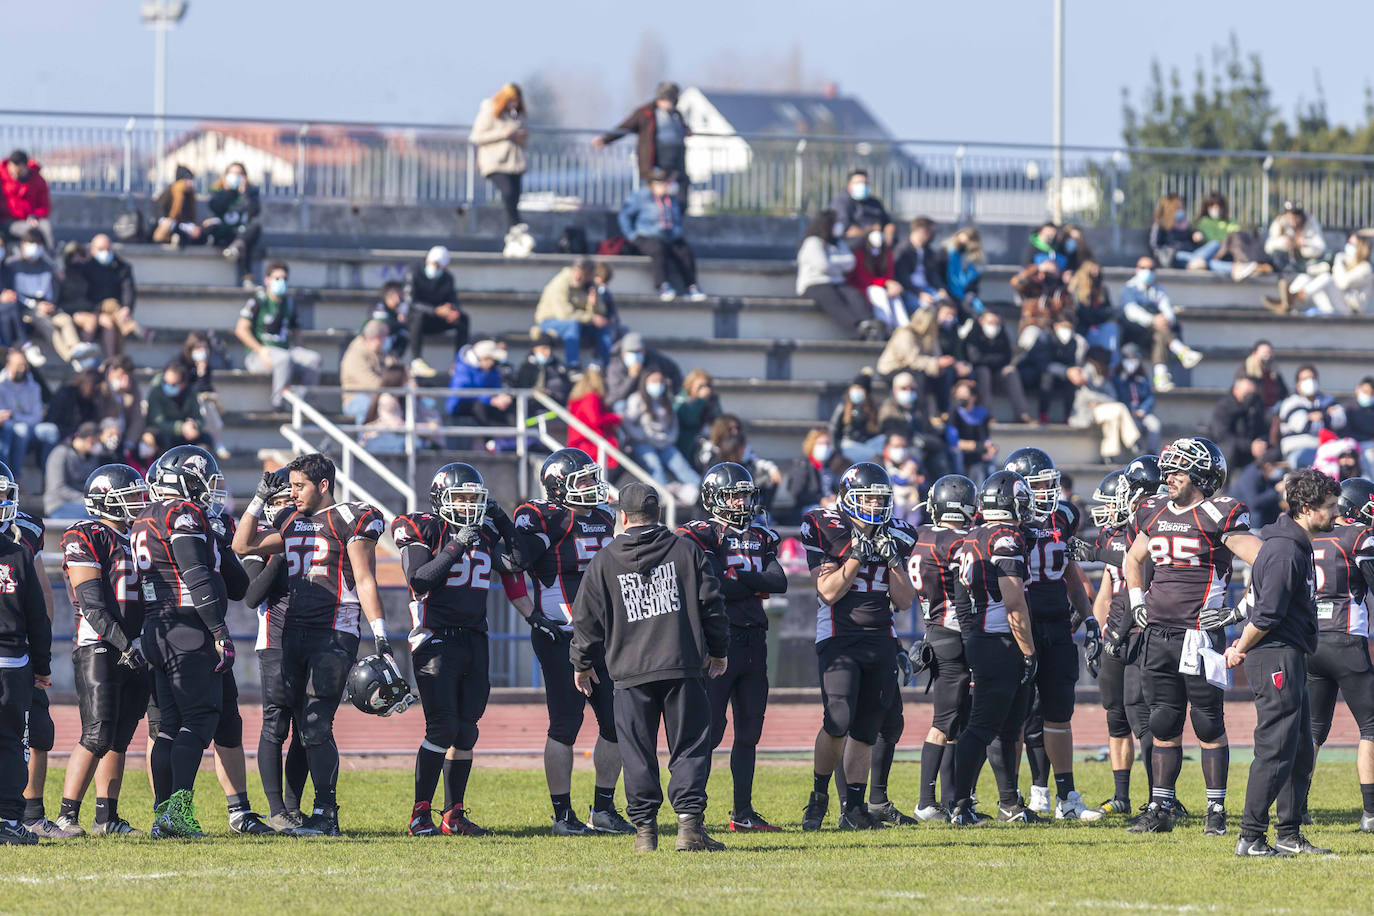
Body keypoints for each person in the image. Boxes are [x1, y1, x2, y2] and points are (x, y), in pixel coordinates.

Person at [232, 454, 391, 837]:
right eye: (291, 486)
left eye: (299, 485)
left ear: (323, 485)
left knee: (317, 722)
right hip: (293, 632)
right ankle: (304, 810)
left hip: (335, 628)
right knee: (299, 722)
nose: (293, 493)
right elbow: (242, 545)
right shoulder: (288, 520)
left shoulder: (349, 518)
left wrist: (381, 634)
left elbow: (366, 579)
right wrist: (256, 501)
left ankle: (326, 812)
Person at [569, 481, 727, 852]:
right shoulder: (687, 550)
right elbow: (713, 605)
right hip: (682, 666)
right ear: (658, 514)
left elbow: (586, 619)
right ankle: (689, 827)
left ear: (623, 517)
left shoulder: (605, 560)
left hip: (628, 673)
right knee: (689, 746)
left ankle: (645, 833)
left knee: (637, 750)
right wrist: (718, 650)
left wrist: (581, 663)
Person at [1123, 437, 1261, 835]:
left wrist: (1239, 611)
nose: (1168, 478)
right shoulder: (1153, 511)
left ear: (1200, 474)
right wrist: (1136, 601)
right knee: (1163, 722)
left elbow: (1266, 561)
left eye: (1178, 470)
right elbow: (1134, 559)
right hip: (1157, 634)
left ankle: (1215, 811)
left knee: (1207, 723)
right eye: (1167, 470)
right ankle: (1160, 809)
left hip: (1198, 635)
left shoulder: (1219, 514)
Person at [391, 463, 531, 836]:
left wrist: (500, 518)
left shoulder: (484, 531)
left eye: (475, 498)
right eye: (461, 497)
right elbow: (419, 579)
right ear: (441, 500)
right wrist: (457, 544)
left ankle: (453, 814)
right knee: (442, 726)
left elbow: (518, 560)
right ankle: (420, 813)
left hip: (474, 637)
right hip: (434, 637)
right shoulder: (426, 527)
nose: (469, 505)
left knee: (467, 731)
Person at [506, 449, 632, 836]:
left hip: (606, 637)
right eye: (583, 481)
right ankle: (562, 815)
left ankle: (604, 809)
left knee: (617, 723)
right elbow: (511, 566)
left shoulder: (603, 517)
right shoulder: (539, 516)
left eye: (593, 478)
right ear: (559, 486)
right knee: (566, 723)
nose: (592, 487)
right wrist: (531, 615)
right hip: (559, 633)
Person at [1224, 468, 1340, 856]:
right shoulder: (1285, 550)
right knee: (1275, 747)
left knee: (1300, 749)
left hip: (1290, 653)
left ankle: (1288, 834)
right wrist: (1240, 646)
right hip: (1274, 654)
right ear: (1306, 509)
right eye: (1329, 507)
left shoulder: (1295, 543)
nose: (1336, 513)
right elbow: (1266, 613)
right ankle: (1251, 836)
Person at [799, 462, 918, 831]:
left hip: (881, 637)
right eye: (867, 497)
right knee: (838, 720)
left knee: (867, 728)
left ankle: (854, 807)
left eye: (880, 499)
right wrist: (857, 555)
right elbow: (828, 591)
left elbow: (904, 601)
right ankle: (818, 797)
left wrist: (894, 559)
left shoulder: (899, 533)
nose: (874, 505)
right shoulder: (825, 525)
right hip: (840, 636)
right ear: (848, 498)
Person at [130, 446, 234, 838]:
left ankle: (163, 813)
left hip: (157, 628)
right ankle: (177, 811)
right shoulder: (182, 513)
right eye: (203, 480)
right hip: (187, 627)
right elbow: (195, 575)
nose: (208, 489)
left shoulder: (144, 517)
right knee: (200, 718)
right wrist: (220, 632)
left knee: (170, 725)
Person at [677, 463, 787, 831]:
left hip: (756, 638)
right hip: (717, 640)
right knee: (709, 730)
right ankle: (694, 812)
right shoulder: (702, 533)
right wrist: (750, 584)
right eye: (733, 494)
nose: (741, 500)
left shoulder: (761, 535)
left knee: (750, 730)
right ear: (713, 498)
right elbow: (716, 585)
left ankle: (742, 813)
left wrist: (740, 577)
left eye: (744, 493)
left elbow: (779, 581)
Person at [1001, 448, 1102, 820]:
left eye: (1049, 483)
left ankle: (1066, 798)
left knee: (1059, 711)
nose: (1047, 490)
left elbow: (1070, 572)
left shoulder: (1065, 516)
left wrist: (1088, 617)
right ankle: (1010, 799)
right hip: (1019, 624)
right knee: (1015, 715)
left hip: (1057, 622)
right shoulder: (1005, 521)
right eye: (1039, 484)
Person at [52, 465, 151, 836]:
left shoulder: (136, 536)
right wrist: (125, 645)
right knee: (96, 733)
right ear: (106, 499)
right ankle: (65, 815)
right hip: (99, 644)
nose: (139, 502)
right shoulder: (86, 533)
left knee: (120, 737)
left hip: (133, 647)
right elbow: (91, 604)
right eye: (130, 495)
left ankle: (106, 817)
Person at [945, 471, 1039, 826]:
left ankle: (1008, 803)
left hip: (985, 637)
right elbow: (1014, 602)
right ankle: (959, 805)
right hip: (1001, 640)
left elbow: (961, 600)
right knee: (983, 726)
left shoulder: (974, 535)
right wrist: (1028, 651)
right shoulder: (1005, 537)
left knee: (1008, 727)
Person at [1078, 458, 1160, 817]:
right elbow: (1109, 591)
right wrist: (1095, 632)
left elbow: (1136, 574)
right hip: (1115, 634)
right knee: (1116, 717)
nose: (1110, 509)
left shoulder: (1158, 531)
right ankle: (1122, 796)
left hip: (1144, 632)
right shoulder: (1114, 536)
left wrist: (1094, 552)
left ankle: (1160, 797)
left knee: (1141, 714)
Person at [908, 474, 979, 820]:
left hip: (934, 631)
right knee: (945, 722)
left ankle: (952, 802)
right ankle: (925, 800)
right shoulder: (959, 542)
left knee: (957, 723)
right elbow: (967, 594)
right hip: (954, 633)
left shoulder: (920, 535)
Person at [1307, 477, 1374, 833]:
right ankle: (1371, 812)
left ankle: (1297, 807)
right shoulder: (1359, 537)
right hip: (1347, 639)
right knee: (1372, 727)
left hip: (1311, 642)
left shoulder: (1310, 536)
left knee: (1314, 730)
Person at [0, 463, 51, 845]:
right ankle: (8, 820)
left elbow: (37, 612)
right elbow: (37, 615)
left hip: (13, 661)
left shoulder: (20, 550)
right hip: (13, 663)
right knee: (9, 742)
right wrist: (43, 665)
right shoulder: (18, 553)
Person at [235, 261, 323, 409]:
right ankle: (278, 403)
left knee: (313, 359)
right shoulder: (259, 300)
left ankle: (306, 403)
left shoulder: (288, 303)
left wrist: (300, 350)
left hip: (285, 351)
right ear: (267, 280)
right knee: (283, 359)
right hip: (260, 355)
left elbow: (296, 331)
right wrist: (260, 350)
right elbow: (241, 329)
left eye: (284, 279)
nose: (281, 282)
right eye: (277, 278)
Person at [617, 169, 705, 302]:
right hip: (648, 235)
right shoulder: (642, 196)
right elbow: (624, 215)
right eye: (660, 182)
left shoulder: (671, 198)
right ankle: (663, 285)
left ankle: (691, 286)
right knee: (657, 250)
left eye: (665, 182)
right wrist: (631, 235)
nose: (664, 186)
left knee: (684, 252)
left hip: (670, 236)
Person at [1119, 257, 1203, 393]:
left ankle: (1161, 378)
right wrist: (1154, 320)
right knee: (1159, 330)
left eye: (1151, 268)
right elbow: (1131, 312)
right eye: (1143, 268)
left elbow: (1167, 310)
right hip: (1136, 334)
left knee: (1160, 336)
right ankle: (1182, 351)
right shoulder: (1129, 289)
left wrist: (1165, 319)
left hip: (1155, 335)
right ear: (1136, 270)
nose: (1147, 271)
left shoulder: (1158, 289)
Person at [471, 83, 532, 256]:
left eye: (517, 101)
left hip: (515, 163)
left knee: (514, 197)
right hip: (495, 162)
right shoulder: (490, 111)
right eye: (511, 101)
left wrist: (519, 136)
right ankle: (516, 228)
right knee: (507, 191)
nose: (514, 105)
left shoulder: (518, 116)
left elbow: (526, 141)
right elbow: (477, 136)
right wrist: (504, 134)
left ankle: (513, 233)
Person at [797, 210, 879, 339]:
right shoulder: (813, 242)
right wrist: (838, 264)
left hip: (836, 281)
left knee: (855, 295)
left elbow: (850, 263)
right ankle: (855, 330)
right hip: (815, 284)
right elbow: (822, 266)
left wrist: (831, 262)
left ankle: (868, 323)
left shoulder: (838, 243)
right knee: (833, 300)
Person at [623, 370, 700, 504]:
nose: (657, 385)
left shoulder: (667, 400)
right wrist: (642, 436)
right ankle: (661, 496)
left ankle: (702, 491)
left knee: (680, 464)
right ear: (645, 383)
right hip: (643, 442)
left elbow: (674, 425)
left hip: (665, 443)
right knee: (653, 464)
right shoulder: (636, 399)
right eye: (653, 382)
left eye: (660, 382)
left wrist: (668, 439)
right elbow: (628, 423)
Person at [594, 81, 690, 187]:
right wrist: (605, 139)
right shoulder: (646, 113)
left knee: (679, 190)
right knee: (653, 191)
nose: (668, 103)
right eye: (665, 99)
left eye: (670, 100)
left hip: (676, 162)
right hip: (655, 161)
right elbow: (625, 127)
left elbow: (683, 129)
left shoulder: (676, 115)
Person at [877, 306, 966, 416]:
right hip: (893, 369)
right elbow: (913, 360)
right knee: (919, 377)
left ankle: (944, 412)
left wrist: (946, 363)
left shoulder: (930, 337)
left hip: (918, 367)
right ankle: (921, 415)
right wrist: (936, 363)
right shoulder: (905, 334)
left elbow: (936, 355)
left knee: (944, 373)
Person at [535, 257, 615, 368]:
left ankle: (607, 365)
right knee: (572, 325)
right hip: (551, 321)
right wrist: (591, 318)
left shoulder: (590, 285)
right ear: (575, 271)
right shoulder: (561, 283)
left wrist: (593, 305)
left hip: (580, 322)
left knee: (603, 328)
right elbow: (564, 315)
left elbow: (602, 311)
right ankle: (573, 365)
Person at [1268, 232, 1372, 316]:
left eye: (1352, 244)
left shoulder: (1365, 268)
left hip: (1351, 310)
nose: (1348, 246)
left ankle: (1293, 299)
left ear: (1360, 247)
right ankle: (1286, 301)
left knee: (1327, 278)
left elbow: (1342, 283)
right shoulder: (1348, 263)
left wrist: (1338, 261)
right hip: (1336, 304)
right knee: (1305, 278)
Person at [404, 246, 468, 379]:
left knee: (463, 319)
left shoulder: (447, 278)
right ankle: (417, 360)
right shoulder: (413, 273)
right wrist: (435, 310)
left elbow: (453, 298)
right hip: (416, 320)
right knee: (418, 316)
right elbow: (412, 302)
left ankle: (458, 362)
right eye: (435, 265)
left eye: (440, 267)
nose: (437, 269)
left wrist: (453, 310)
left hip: (437, 319)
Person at [71, 234, 139, 357]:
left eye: (108, 249)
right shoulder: (85, 268)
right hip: (91, 309)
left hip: (114, 312)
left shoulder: (121, 267)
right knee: (107, 317)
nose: (105, 253)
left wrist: (127, 307)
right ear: (92, 250)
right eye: (101, 249)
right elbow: (80, 294)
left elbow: (128, 289)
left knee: (112, 318)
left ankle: (113, 360)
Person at [0, 228, 59, 366]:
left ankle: (14, 349)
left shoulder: (5, 269)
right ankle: (24, 344)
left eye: (1, 246)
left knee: (11, 306)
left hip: (10, 313)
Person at [964, 311, 1034, 424]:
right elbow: (975, 358)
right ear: (981, 321)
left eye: (996, 323)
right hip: (979, 376)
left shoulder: (1002, 335)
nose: (994, 326)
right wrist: (994, 360)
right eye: (990, 322)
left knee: (1011, 371)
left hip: (998, 374)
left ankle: (1021, 413)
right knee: (983, 371)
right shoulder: (973, 335)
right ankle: (986, 414)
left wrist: (989, 360)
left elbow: (1006, 357)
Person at [203, 162, 261, 288]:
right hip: (224, 232)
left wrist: (244, 193)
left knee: (251, 231)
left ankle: (237, 249)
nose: (236, 176)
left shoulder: (251, 193)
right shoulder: (217, 191)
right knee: (213, 227)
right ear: (225, 176)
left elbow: (254, 211)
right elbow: (217, 207)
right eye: (233, 173)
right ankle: (246, 275)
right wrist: (230, 191)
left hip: (240, 234)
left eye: (239, 174)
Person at [0, 347, 57, 471]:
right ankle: (15, 476)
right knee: (20, 430)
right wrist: (13, 419)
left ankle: (48, 477)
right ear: (8, 365)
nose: (22, 369)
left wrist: (14, 416)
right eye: (18, 365)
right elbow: (4, 419)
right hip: (10, 430)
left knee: (51, 430)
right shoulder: (1, 385)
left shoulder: (34, 387)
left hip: (31, 428)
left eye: (24, 365)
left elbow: (37, 417)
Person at [1278, 365, 1342, 467]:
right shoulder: (1290, 402)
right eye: (1305, 379)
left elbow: (1340, 420)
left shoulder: (1328, 400)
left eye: (1312, 378)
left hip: (1327, 448)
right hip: (1299, 450)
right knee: (1321, 462)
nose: (1310, 382)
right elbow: (1304, 425)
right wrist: (1327, 417)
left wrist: (1318, 416)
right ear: (1297, 384)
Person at [145, 360, 212, 451]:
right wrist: (181, 428)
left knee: (206, 439)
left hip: (186, 434)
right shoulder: (156, 391)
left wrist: (194, 425)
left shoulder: (190, 392)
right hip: (165, 432)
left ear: (183, 384)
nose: (168, 386)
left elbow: (198, 418)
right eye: (166, 382)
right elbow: (157, 421)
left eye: (173, 384)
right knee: (162, 439)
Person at [446, 338, 513, 428]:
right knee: (479, 407)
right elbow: (464, 393)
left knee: (508, 407)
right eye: (492, 360)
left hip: (484, 402)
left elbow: (495, 386)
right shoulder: (463, 368)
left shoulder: (491, 370)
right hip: (461, 405)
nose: (493, 363)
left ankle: (511, 437)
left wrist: (501, 397)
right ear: (482, 358)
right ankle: (491, 439)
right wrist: (491, 400)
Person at [605, 332, 682, 409]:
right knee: (620, 405)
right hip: (626, 402)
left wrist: (674, 392)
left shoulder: (653, 358)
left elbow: (673, 370)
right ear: (623, 352)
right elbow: (617, 395)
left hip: (648, 399)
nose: (635, 355)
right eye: (631, 352)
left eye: (638, 351)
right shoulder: (615, 367)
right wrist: (632, 377)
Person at [1209, 376, 1270, 473]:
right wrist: (1250, 446)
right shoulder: (1224, 407)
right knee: (1228, 451)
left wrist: (1260, 444)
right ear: (1236, 390)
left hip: (1252, 452)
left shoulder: (1257, 407)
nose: (1250, 396)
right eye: (1247, 392)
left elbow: (1264, 429)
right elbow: (1222, 436)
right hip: (1231, 451)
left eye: (1252, 393)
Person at [566, 367, 620, 470]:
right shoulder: (591, 397)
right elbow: (595, 420)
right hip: (589, 444)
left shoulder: (576, 398)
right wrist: (615, 418)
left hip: (581, 442)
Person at [44, 423, 103, 518]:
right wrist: (86, 499)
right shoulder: (60, 453)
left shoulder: (92, 457)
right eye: (98, 441)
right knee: (97, 515)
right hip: (59, 505)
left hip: (84, 504)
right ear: (89, 440)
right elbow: (58, 488)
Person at [1112, 343, 1161, 453]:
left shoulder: (1143, 377)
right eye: (1128, 358)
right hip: (1127, 413)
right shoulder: (1116, 378)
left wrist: (1143, 409)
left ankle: (1151, 452)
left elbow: (1149, 396)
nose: (1131, 361)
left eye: (1134, 358)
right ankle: (1136, 452)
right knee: (1134, 426)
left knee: (1154, 425)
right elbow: (1115, 397)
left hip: (1142, 412)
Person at [892, 217, 946, 313]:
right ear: (921, 230)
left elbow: (933, 274)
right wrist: (919, 294)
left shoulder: (928, 251)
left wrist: (941, 289)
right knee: (927, 308)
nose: (931, 235)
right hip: (911, 291)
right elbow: (903, 278)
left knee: (946, 305)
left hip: (927, 288)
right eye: (929, 231)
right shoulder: (903, 250)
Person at [340, 319, 390, 424]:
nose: (387, 340)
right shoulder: (355, 354)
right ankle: (366, 440)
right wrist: (394, 387)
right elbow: (372, 384)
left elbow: (399, 371)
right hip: (355, 399)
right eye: (386, 336)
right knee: (369, 406)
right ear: (377, 337)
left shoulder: (382, 353)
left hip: (380, 397)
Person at [946, 379, 995, 483]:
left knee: (989, 459)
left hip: (977, 452)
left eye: (964, 395)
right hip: (961, 452)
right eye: (958, 395)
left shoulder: (981, 413)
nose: (961, 398)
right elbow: (953, 441)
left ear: (973, 397)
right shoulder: (954, 413)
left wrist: (990, 449)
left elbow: (985, 438)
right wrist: (977, 446)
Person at [1, 150, 52, 249]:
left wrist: (35, 215)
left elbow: (44, 206)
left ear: (25, 166)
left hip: (30, 220)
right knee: (31, 231)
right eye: (12, 172)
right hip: (8, 221)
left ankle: (49, 258)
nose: (15, 175)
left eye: (19, 172)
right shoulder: (2, 178)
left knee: (46, 228)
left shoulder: (38, 180)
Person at [785, 429, 839, 523]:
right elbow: (796, 495)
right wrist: (820, 500)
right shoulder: (802, 466)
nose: (824, 447)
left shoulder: (831, 467)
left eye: (827, 443)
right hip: (807, 509)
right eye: (821, 443)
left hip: (830, 506)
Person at [829, 373, 884, 464]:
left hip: (867, 444)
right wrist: (836, 450)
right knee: (874, 457)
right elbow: (833, 428)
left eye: (860, 389)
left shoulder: (873, 407)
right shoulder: (844, 406)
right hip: (849, 444)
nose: (856, 391)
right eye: (854, 388)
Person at [829, 169, 894, 243]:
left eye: (865, 183)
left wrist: (889, 231)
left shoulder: (874, 203)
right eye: (858, 183)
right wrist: (870, 230)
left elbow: (888, 223)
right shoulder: (841, 203)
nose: (862, 186)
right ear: (849, 185)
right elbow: (847, 231)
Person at [1069, 260, 1116, 359]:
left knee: (1111, 328)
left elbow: (1109, 310)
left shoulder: (1102, 290)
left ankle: (1111, 365)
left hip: (1099, 326)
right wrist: (1098, 314)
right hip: (1083, 328)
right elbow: (1083, 312)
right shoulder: (1077, 290)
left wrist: (1098, 314)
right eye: (1094, 271)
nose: (1097, 274)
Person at [672, 369, 721, 462]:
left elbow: (718, 421)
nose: (706, 389)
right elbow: (690, 420)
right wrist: (701, 401)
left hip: (708, 440)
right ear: (691, 386)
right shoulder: (681, 400)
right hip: (687, 444)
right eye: (701, 386)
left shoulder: (712, 399)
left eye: (707, 386)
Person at [1263, 202, 1326, 273]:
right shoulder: (1279, 223)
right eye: (1290, 217)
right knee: (1277, 254)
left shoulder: (1311, 223)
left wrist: (1305, 243)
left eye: (1296, 217)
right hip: (1285, 261)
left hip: (1306, 261)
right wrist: (1284, 242)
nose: (1293, 221)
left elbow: (1321, 248)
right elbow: (1268, 247)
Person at [512, 331, 572, 404]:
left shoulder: (559, 368)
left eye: (550, 349)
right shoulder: (526, 367)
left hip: (555, 407)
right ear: (535, 349)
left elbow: (567, 390)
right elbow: (521, 388)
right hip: (533, 408)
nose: (548, 352)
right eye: (544, 348)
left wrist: (552, 394)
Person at [152, 165, 204, 246]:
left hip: (182, 225)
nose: (190, 183)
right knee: (168, 225)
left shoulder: (189, 195)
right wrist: (166, 221)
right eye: (187, 179)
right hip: (168, 224)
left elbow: (190, 216)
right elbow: (160, 211)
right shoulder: (169, 191)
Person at [942, 226, 985, 315]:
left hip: (965, 293)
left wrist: (971, 293)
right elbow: (938, 274)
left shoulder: (974, 259)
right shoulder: (946, 252)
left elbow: (974, 282)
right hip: (947, 290)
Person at [1149, 194, 1197, 268]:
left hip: (1190, 254)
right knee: (1202, 260)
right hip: (1175, 257)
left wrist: (1194, 234)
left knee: (1214, 245)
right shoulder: (1160, 225)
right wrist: (1174, 248)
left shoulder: (1185, 224)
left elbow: (1191, 244)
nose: (1182, 210)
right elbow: (1155, 247)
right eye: (1179, 207)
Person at [364, 280, 408, 358]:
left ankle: (394, 361)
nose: (402, 299)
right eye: (400, 295)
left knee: (403, 334)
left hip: (385, 346)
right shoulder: (379, 307)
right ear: (393, 295)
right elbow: (384, 326)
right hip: (368, 345)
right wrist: (402, 323)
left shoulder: (396, 311)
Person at [1240, 339, 1288, 410]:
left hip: (1275, 410)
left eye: (1270, 353)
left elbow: (1284, 392)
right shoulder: (1246, 372)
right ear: (1254, 353)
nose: (1268, 356)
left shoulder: (1274, 371)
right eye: (1265, 353)